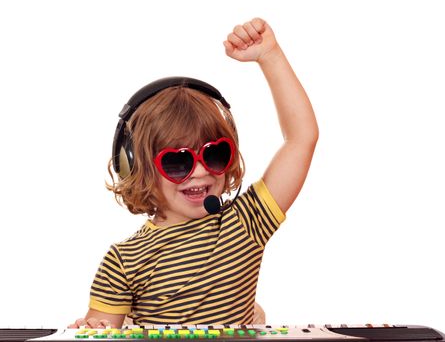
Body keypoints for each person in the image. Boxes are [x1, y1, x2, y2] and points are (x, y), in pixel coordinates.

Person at [69, 17, 318, 328]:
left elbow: (301, 139)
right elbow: (102, 331)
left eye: (214, 154)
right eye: (178, 162)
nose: (200, 171)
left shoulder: (244, 222)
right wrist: (93, 330)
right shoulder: (123, 260)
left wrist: (270, 56)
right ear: (137, 169)